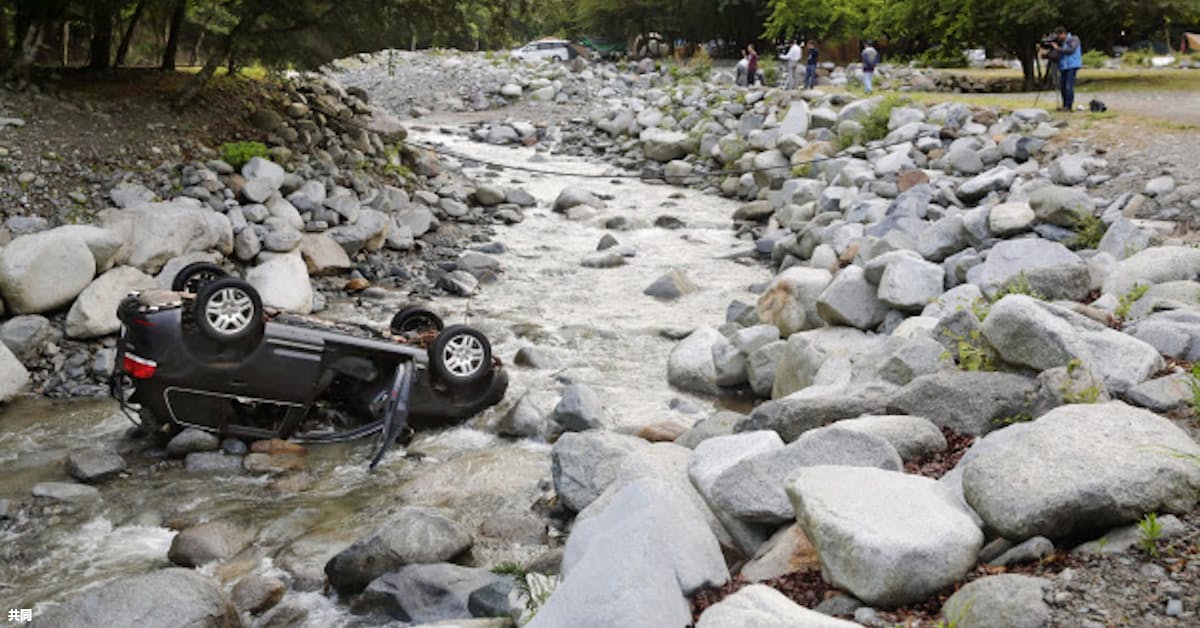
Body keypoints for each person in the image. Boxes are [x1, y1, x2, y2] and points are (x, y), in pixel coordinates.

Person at [1050, 26, 1082, 111]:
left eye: (1058, 35)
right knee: (1063, 86)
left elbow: (1071, 50)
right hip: (1064, 66)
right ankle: (1064, 105)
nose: (1058, 38)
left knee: (1069, 86)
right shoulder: (1062, 43)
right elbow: (1060, 54)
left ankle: (1069, 106)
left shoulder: (1073, 39)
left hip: (1072, 65)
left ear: (1063, 33)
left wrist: (1057, 48)